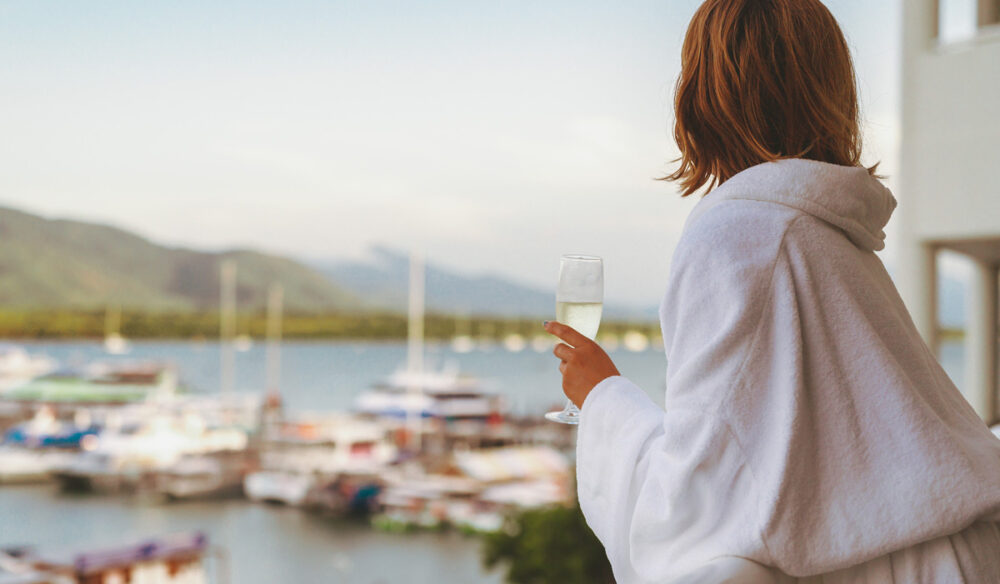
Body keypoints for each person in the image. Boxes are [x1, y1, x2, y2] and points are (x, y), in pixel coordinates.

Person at [544, 0, 1000, 582]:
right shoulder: (835, 235)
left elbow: (699, 501)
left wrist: (604, 396)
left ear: (702, 93)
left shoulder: (737, 238)